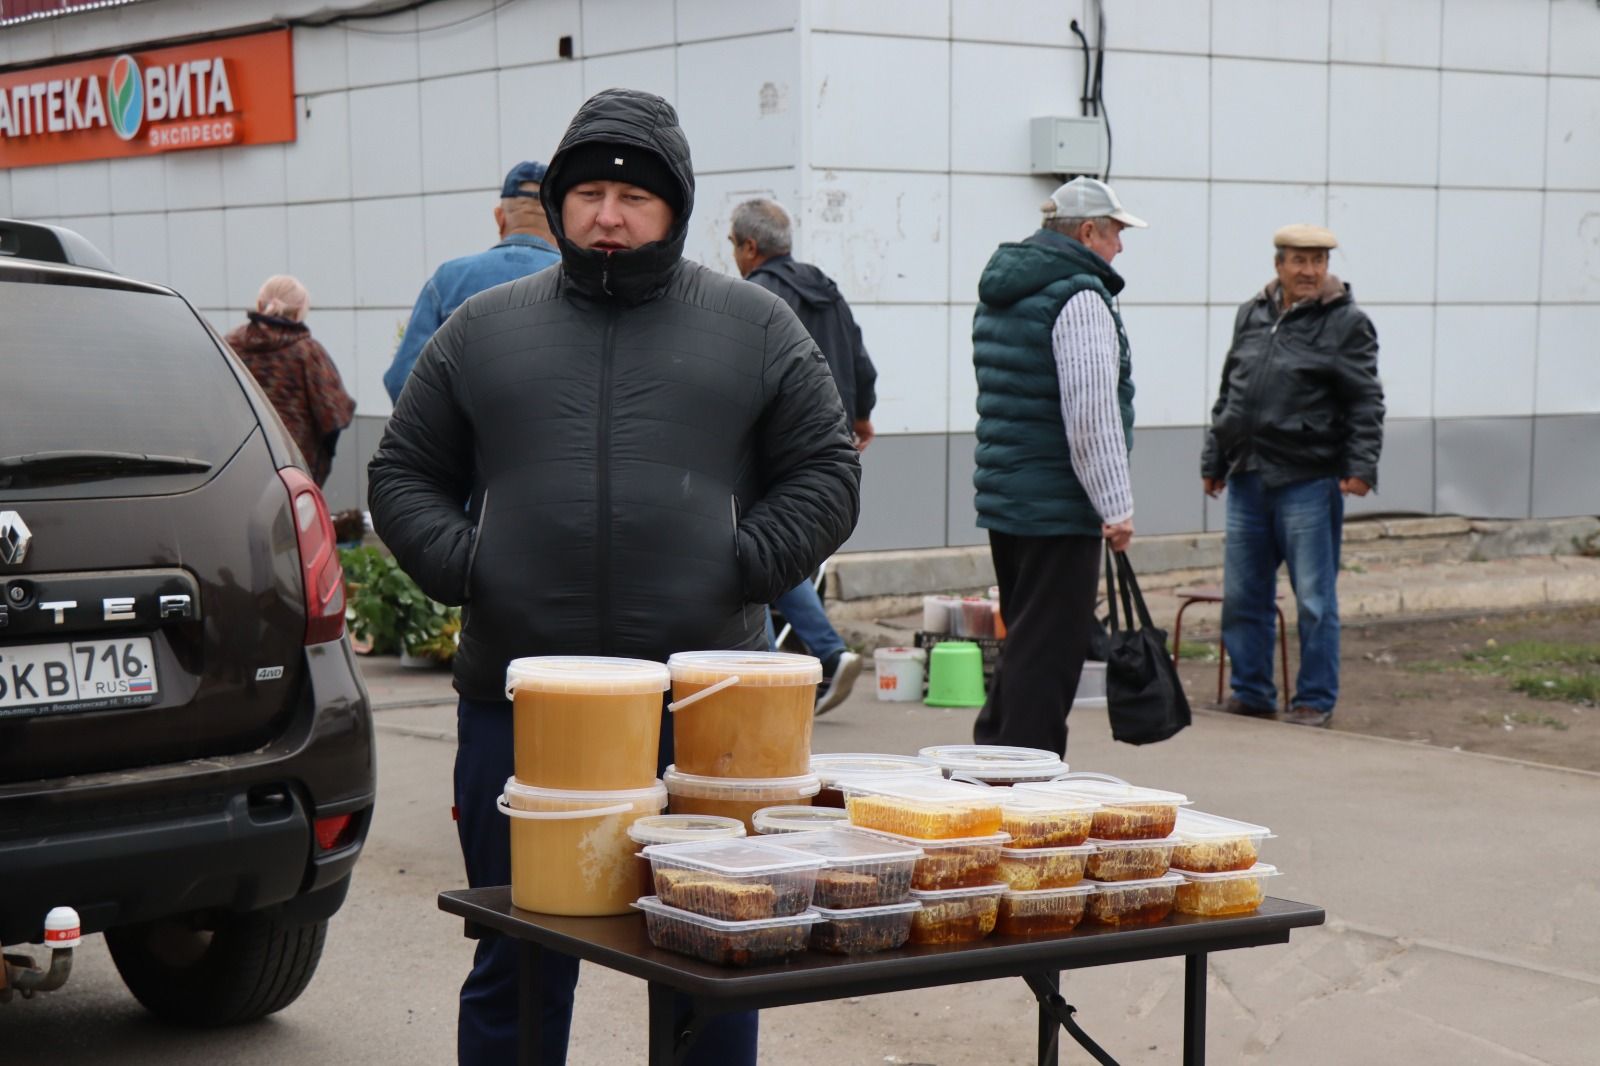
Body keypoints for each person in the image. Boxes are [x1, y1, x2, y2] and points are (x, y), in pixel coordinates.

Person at [367, 89, 861, 1066]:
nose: (608, 213)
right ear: (556, 204)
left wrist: (741, 564)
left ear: (674, 207)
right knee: (518, 952)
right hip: (522, 704)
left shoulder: (752, 325)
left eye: (633, 196)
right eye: (587, 191)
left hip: (707, 711)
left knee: (714, 952)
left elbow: (826, 469)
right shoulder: (483, 327)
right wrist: (473, 566)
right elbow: (402, 471)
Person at [969, 176, 1145, 757]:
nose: (1121, 246)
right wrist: (1116, 507)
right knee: (1049, 655)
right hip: (1057, 506)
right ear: (1088, 231)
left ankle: (995, 758)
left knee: (1026, 643)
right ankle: (1021, 780)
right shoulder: (1079, 296)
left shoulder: (1007, 291)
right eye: (1117, 232)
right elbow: (1091, 415)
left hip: (1010, 501)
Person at [1202, 224, 1385, 729]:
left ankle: (1314, 699)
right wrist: (1214, 460)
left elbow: (1366, 400)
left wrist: (1361, 466)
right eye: (1300, 261)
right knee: (1244, 596)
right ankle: (1252, 692)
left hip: (1310, 477)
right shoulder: (1252, 313)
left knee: (1315, 599)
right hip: (1248, 475)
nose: (1310, 271)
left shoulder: (1347, 323)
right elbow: (1230, 393)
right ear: (1278, 264)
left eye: (1319, 261)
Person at [729, 197, 876, 714]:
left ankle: (781, 676)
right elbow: (860, 360)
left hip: (771, 447)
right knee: (786, 553)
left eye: (733, 246)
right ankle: (812, 661)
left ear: (750, 247)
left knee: (758, 552)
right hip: (829, 448)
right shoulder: (825, 288)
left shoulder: (754, 297)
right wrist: (859, 419)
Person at [382, 160, 560, 403]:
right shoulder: (578, 281)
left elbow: (402, 382)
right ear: (559, 222)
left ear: (500, 218)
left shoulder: (448, 280)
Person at [224, 274, 354, 486]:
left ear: (259, 304)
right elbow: (334, 416)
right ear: (300, 312)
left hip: (234, 468)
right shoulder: (308, 352)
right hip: (292, 473)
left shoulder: (228, 346)